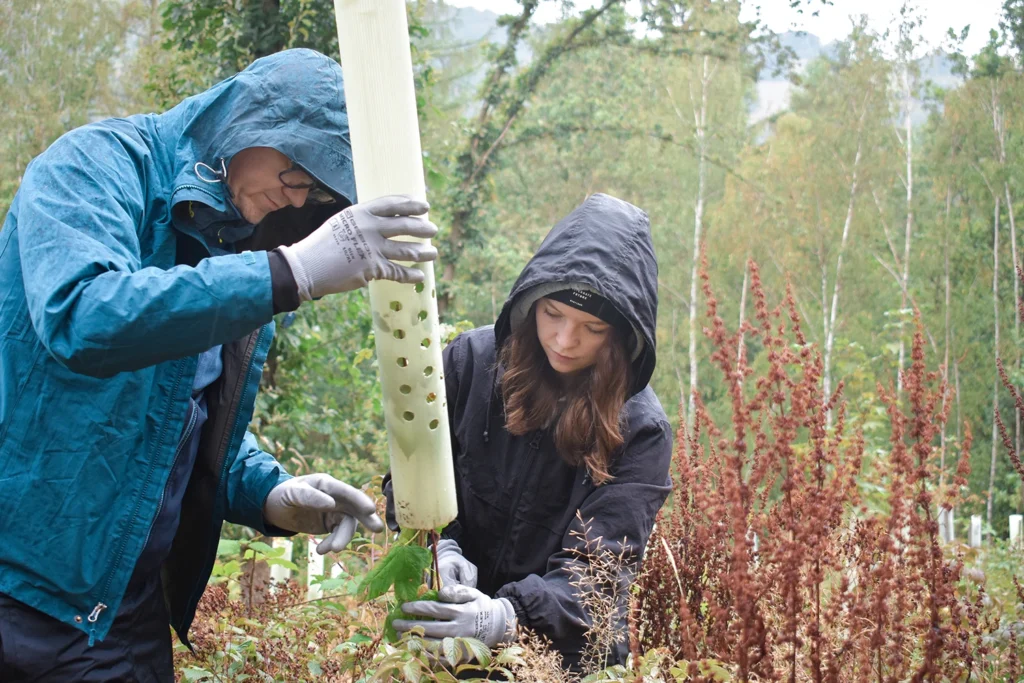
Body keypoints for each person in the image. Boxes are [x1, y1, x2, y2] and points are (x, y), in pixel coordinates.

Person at [0, 48, 436, 681]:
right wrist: (293, 273)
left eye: (313, 193)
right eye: (295, 173)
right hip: (21, 598)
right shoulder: (95, 168)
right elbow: (84, 317)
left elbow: (177, 422)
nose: (295, 199)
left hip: (124, 616)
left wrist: (271, 494)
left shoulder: (230, 239)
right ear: (249, 121)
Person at [386, 193, 673, 671]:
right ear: (530, 302)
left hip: (553, 665)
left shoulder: (641, 431)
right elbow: (410, 470)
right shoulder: (472, 363)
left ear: (623, 335)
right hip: (438, 646)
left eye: (593, 327)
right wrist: (441, 543)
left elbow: (598, 580)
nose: (564, 340)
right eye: (553, 314)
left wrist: (504, 617)